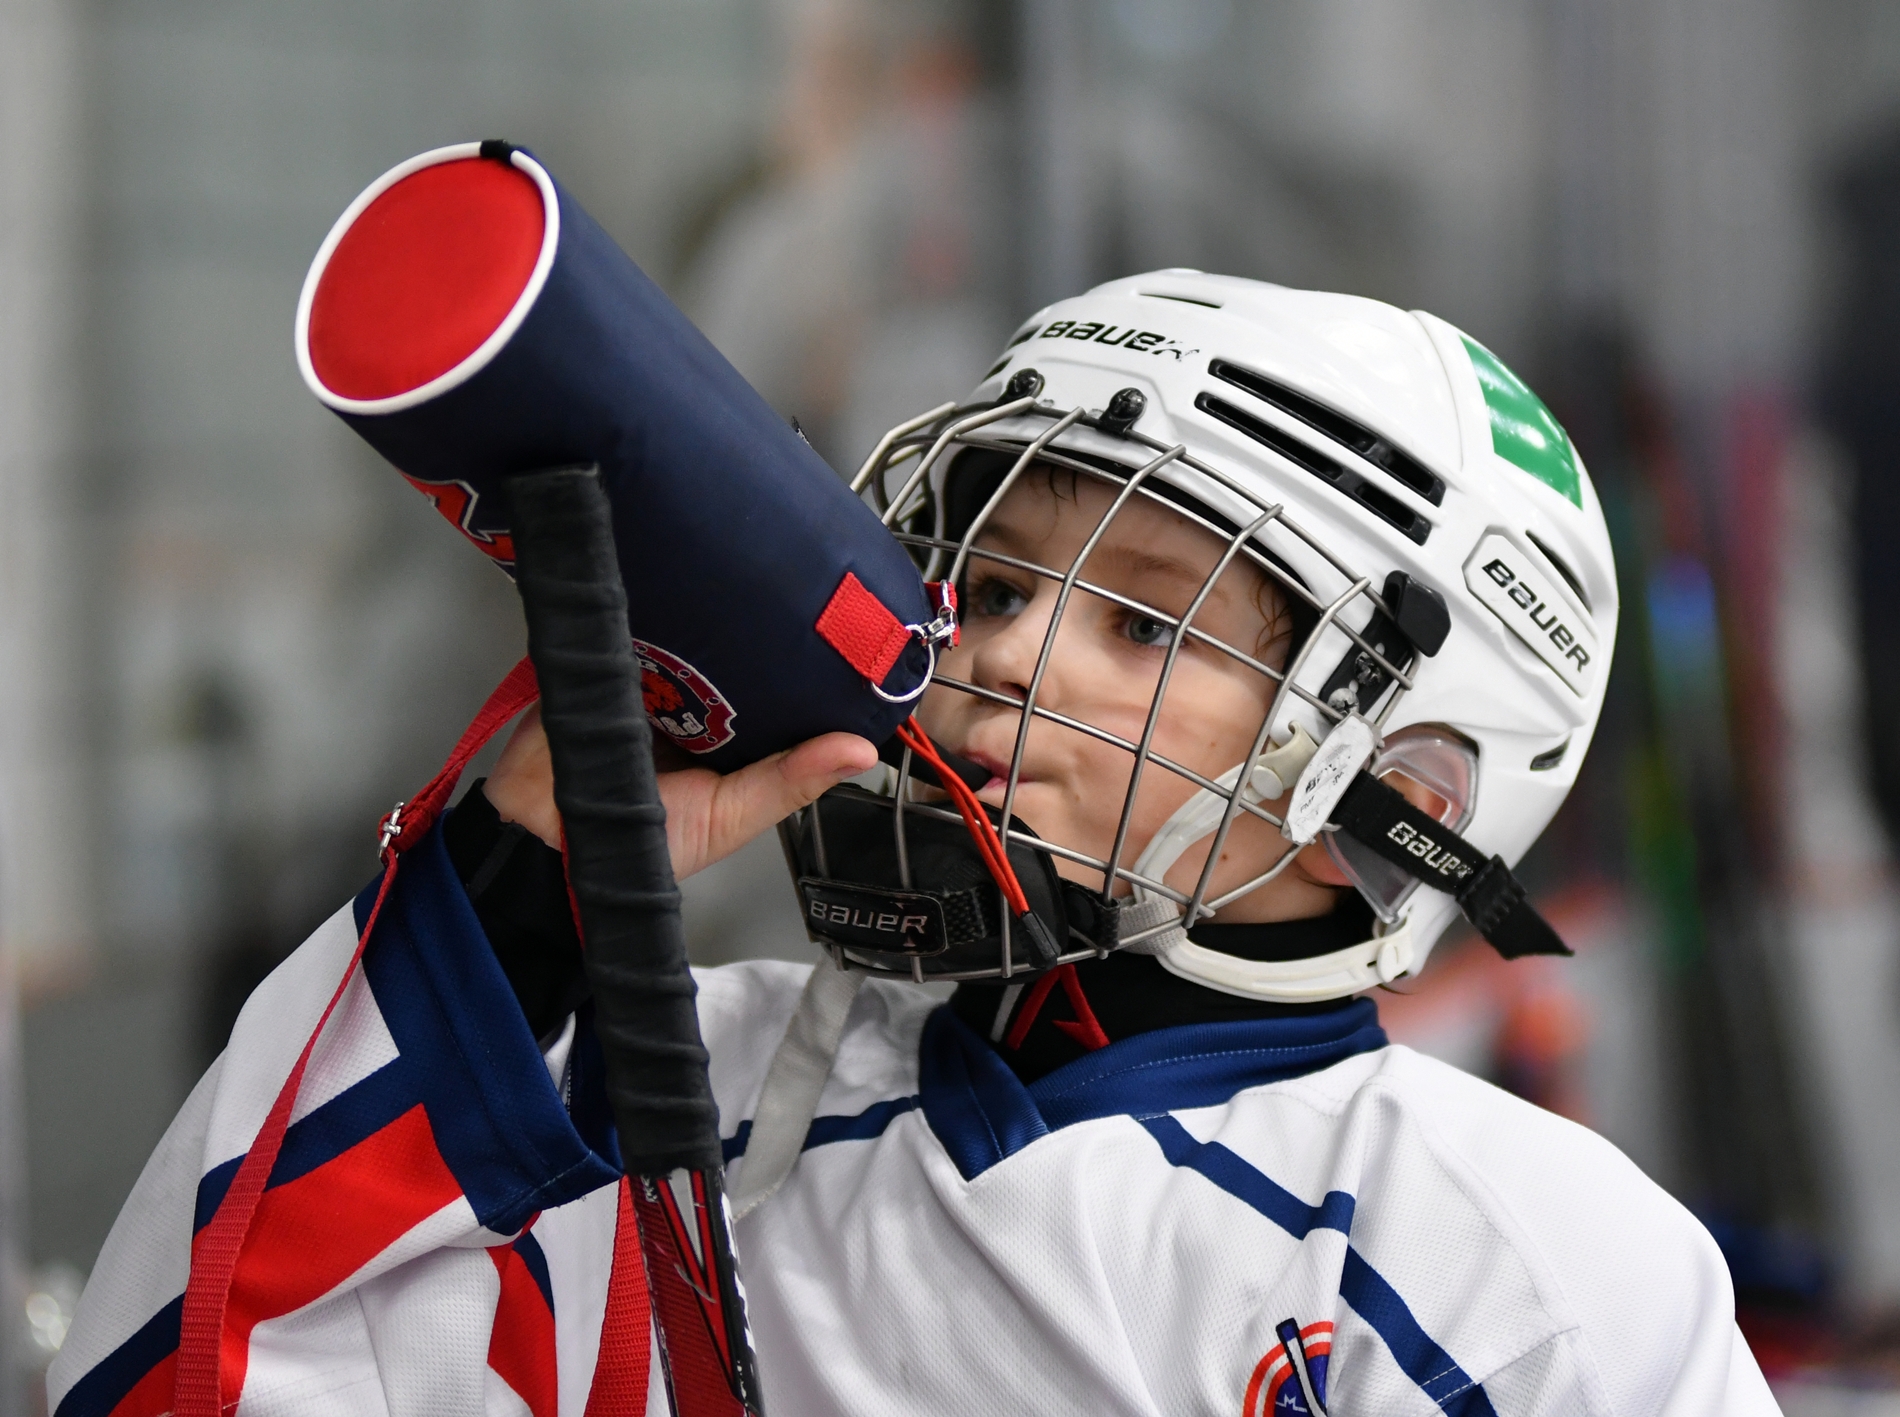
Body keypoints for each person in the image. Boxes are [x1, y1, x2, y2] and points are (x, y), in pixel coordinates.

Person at [50, 273, 1778, 1416]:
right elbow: (181, 1371)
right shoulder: (663, 1090)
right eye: (1005, 583)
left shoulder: (1514, 1260)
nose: (1005, 651)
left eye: (1145, 622)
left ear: (1402, 785)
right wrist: (518, 897)